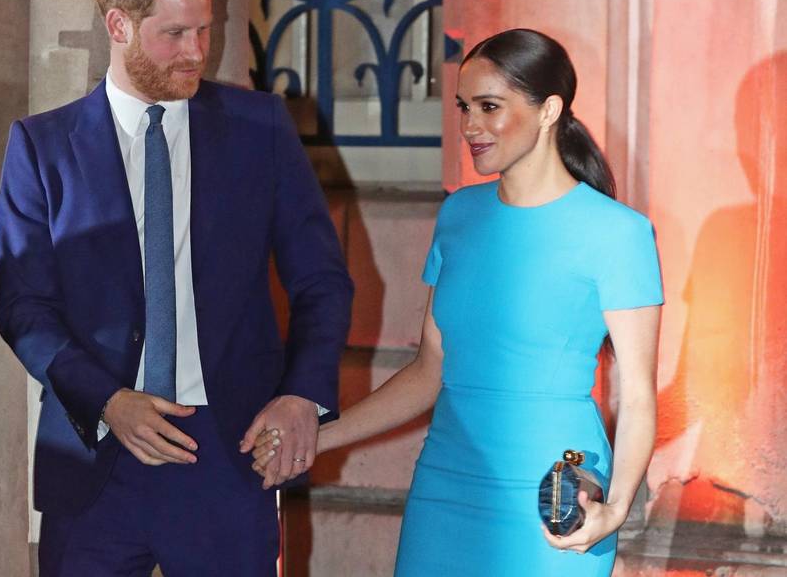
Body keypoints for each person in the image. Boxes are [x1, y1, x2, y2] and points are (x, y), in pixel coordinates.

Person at [0, 0, 352, 576]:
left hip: (227, 451)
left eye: (204, 31)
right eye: (175, 34)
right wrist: (108, 398)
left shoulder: (261, 130)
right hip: (94, 457)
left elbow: (323, 281)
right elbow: (23, 306)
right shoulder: (41, 147)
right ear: (119, 25)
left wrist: (303, 394)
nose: (196, 52)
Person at [254, 28, 662, 575]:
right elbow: (429, 371)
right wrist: (312, 441)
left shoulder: (618, 233)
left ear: (549, 111)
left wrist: (614, 510)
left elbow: (637, 396)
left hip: (551, 493)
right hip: (446, 483)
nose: (469, 126)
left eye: (490, 107)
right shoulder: (459, 216)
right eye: (464, 107)